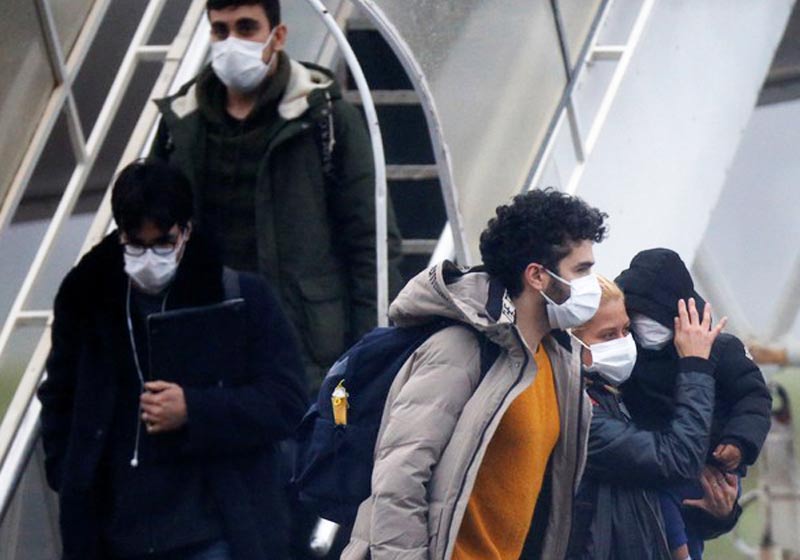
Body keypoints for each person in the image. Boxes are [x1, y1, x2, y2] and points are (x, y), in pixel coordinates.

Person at [38, 160, 308, 560]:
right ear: (120, 236)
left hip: (214, 532)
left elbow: (287, 401)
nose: (149, 257)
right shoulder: (85, 300)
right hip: (112, 533)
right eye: (136, 244)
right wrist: (70, 475)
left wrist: (195, 409)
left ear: (185, 232)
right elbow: (58, 395)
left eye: (163, 243)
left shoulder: (240, 298)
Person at [150, 0, 403, 389]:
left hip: (302, 351)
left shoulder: (325, 118)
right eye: (220, 30)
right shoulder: (181, 122)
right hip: (205, 348)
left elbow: (370, 242)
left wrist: (366, 355)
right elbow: (149, 232)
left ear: (278, 35)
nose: (231, 42)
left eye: (246, 27)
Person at [343, 188, 607, 560]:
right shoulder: (460, 349)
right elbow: (399, 478)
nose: (591, 285)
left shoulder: (559, 364)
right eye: (581, 270)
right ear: (537, 276)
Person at [616, 248, 772, 560]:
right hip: (664, 462)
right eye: (635, 316)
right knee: (662, 498)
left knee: (677, 504)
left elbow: (753, 398)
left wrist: (739, 442)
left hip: (715, 464)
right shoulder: (627, 354)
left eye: (650, 316)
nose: (642, 325)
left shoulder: (722, 349)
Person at [566, 276, 735, 560]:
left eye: (627, 330)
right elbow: (677, 460)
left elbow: (649, 507)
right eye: (608, 335)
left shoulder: (615, 399)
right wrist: (695, 367)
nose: (623, 343)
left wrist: (717, 514)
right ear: (569, 340)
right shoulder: (580, 415)